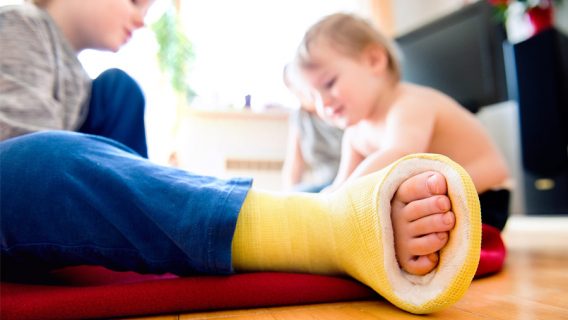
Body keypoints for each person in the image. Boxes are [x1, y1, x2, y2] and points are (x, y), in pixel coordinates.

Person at [0, 130, 482, 314]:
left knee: (116, 89)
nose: (141, 16)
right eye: (134, 2)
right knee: (41, 161)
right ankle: (328, 228)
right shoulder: (21, 26)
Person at [295, 13, 511, 231]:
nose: (323, 103)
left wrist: (341, 196)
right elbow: (342, 183)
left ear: (374, 61)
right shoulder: (355, 132)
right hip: (440, 197)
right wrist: (327, 200)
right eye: (313, 97)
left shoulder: (409, 103)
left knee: (398, 212)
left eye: (329, 83)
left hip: (483, 197)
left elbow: (399, 156)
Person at [0, 0, 152, 157]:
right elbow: (23, 148)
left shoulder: (90, 87)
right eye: (134, 2)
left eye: (145, 13)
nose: (141, 22)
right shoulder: (21, 23)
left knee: (120, 91)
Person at [281, 63, 344, 193]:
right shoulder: (300, 117)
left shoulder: (339, 105)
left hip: (352, 181)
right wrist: (286, 199)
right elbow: (294, 165)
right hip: (324, 186)